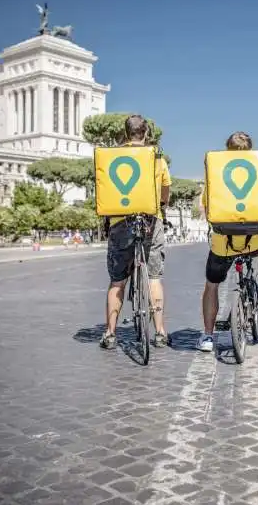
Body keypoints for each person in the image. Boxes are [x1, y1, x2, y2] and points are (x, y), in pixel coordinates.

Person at [197, 132, 258, 352]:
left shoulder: (215, 170)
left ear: (227, 148)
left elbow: (205, 207)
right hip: (254, 240)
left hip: (222, 242)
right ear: (250, 149)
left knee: (212, 286)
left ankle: (207, 336)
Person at [100, 115, 172, 350]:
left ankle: (110, 333)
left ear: (126, 132)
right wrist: (161, 205)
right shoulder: (157, 158)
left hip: (121, 221)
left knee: (117, 281)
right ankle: (160, 332)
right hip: (151, 220)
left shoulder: (112, 157)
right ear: (146, 133)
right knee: (154, 277)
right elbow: (165, 190)